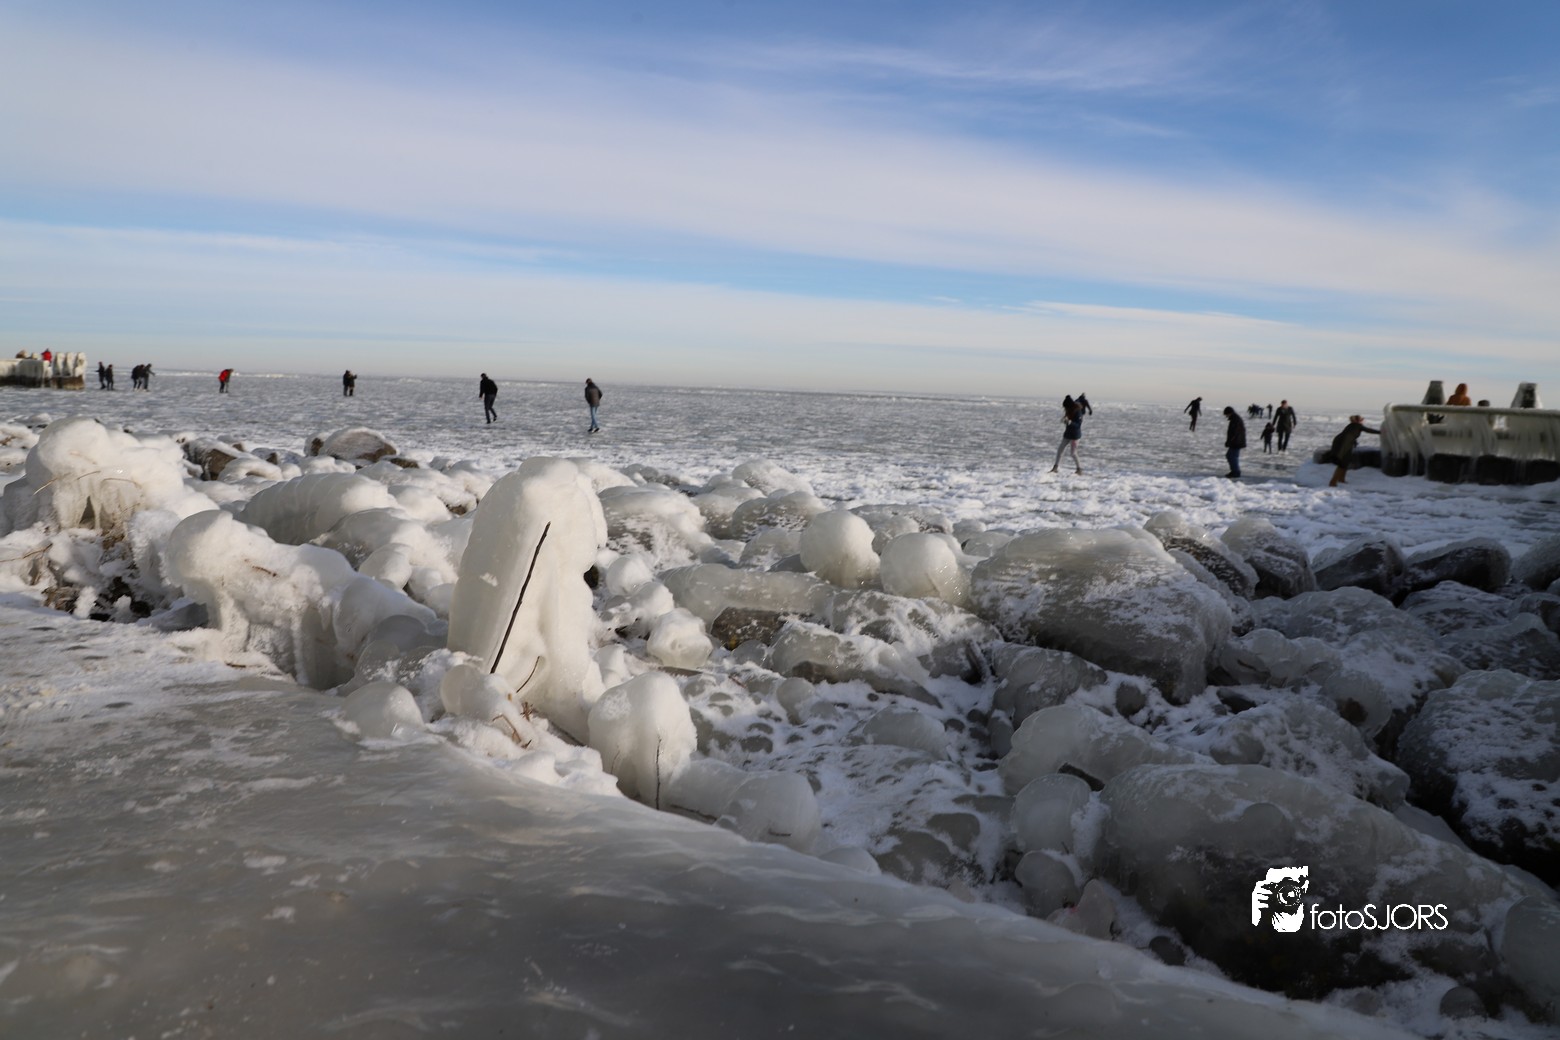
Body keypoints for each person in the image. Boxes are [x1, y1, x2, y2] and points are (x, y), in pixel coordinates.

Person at [1327, 415, 1380, 487]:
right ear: (1358, 420)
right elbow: (1369, 430)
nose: (1363, 421)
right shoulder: (1358, 425)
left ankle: (1341, 479)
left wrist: (1354, 441)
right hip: (1344, 444)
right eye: (1362, 419)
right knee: (1342, 463)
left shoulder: (1351, 425)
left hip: (1342, 442)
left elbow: (1350, 434)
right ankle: (1333, 482)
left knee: (1344, 462)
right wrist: (1381, 432)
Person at [1050, 395, 1084, 475]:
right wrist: (1064, 420)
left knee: (1073, 453)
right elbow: (1068, 420)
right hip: (1068, 434)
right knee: (1060, 449)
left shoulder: (1078, 412)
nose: (1065, 409)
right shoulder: (1068, 410)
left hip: (1075, 436)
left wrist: (1070, 422)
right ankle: (1055, 467)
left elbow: (1078, 425)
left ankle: (1079, 469)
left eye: (1066, 407)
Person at [1223, 406, 1246, 478]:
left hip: (1236, 442)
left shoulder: (1235, 420)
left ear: (1229, 413)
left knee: (1232, 456)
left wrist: (1230, 441)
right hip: (1236, 441)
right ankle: (1234, 471)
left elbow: (1235, 432)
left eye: (1226, 414)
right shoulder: (1235, 419)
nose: (1226, 416)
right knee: (1230, 455)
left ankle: (1236, 472)